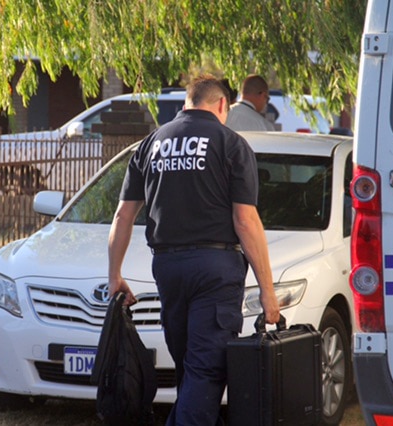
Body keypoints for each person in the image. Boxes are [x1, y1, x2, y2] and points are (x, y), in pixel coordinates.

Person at [107, 75, 280, 425]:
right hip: (215, 271)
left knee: (190, 367)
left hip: (168, 268)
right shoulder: (230, 144)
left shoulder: (151, 144)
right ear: (222, 104)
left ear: (187, 103)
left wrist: (115, 276)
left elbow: (123, 215)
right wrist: (267, 291)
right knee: (206, 370)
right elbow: (245, 221)